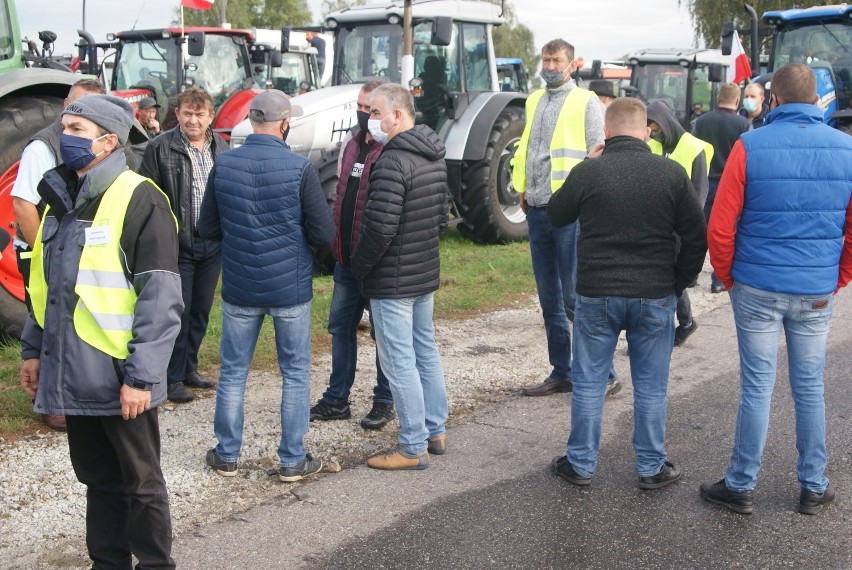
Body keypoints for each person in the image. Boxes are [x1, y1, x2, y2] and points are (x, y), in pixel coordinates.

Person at [19, 94, 182, 568]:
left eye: (75, 129)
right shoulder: (59, 201)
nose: (62, 137)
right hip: (75, 374)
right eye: (62, 127)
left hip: (120, 377)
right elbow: (48, 289)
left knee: (142, 483)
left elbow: (161, 299)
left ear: (109, 142)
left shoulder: (141, 199)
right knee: (98, 479)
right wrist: (34, 350)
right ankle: (108, 563)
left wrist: (141, 377)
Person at [701, 64, 852, 516]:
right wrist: (838, 276)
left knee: (757, 386)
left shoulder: (750, 146)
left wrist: (729, 277)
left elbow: (720, 225)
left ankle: (741, 484)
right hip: (814, 289)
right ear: (818, 101)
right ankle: (813, 484)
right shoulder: (847, 149)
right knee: (809, 387)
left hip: (757, 287)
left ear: (774, 100)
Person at [548, 97, 707, 489]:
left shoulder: (590, 172)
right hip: (654, 293)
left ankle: (581, 463)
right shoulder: (670, 173)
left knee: (588, 382)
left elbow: (556, 215)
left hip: (597, 293)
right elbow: (696, 236)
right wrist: (678, 280)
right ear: (646, 130)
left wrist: (587, 163)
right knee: (651, 386)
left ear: (606, 130)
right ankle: (651, 467)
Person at [199, 90, 334, 481]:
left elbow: (207, 228)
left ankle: (226, 455)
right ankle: (292, 459)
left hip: (240, 285)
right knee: (294, 371)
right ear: (285, 122)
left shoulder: (224, 165)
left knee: (233, 371)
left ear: (251, 120)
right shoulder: (299, 168)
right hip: (289, 287)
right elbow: (323, 232)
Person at [512, 39, 619, 398]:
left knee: (577, 298)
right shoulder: (534, 99)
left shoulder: (586, 102)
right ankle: (562, 371)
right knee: (549, 300)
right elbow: (528, 148)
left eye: (557, 60)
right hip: (537, 209)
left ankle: (605, 374)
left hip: (571, 212)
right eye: (546, 59)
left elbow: (598, 152)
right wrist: (523, 187)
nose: (550, 65)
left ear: (571, 65)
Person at [350, 83, 449, 470]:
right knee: (424, 351)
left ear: (397, 115)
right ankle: (434, 430)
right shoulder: (433, 155)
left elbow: (379, 228)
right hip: (422, 272)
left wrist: (358, 268)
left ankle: (412, 446)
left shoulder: (392, 160)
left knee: (399, 359)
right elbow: (441, 218)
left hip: (393, 279)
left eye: (375, 112)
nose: (369, 119)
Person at [11, 78, 106, 432]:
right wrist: (46, 255)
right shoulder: (44, 146)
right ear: (66, 104)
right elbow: (23, 203)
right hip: (43, 252)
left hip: (77, 251)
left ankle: (71, 392)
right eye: (77, 106)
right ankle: (50, 402)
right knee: (47, 322)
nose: (80, 115)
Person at [309, 80, 396, 430]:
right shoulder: (351, 144)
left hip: (377, 264)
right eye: (359, 108)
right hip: (346, 261)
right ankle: (336, 399)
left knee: (383, 334)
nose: (363, 115)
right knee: (340, 328)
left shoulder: (392, 150)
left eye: (370, 109)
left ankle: (384, 400)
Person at [140, 87, 228, 403]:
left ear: (210, 116)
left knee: (201, 311)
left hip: (212, 244)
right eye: (187, 113)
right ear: (177, 114)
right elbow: (147, 197)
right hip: (178, 245)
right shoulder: (160, 148)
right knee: (178, 311)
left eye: (199, 114)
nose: (193, 120)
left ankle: (189, 368)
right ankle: (171, 377)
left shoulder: (221, 146)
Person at [647, 100, 713, 347]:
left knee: (670, 277)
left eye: (654, 127)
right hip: (656, 224)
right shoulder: (653, 145)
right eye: (649, 129)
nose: (653, 133)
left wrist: (687, 229)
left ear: (665, 122)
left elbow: (699, 192)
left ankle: (670, 328)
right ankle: (684, 322)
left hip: (679, 226)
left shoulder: (693, 147)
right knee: (665, 276)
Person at [692, 83, 752, 294]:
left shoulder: (701, 121)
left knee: (699, 230)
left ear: (718, 99)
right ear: (737, 101)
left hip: (704, 182)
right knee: (725, 232)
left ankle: (691, 275)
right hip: (729, 185)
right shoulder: (743, 125)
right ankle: (718, 280)